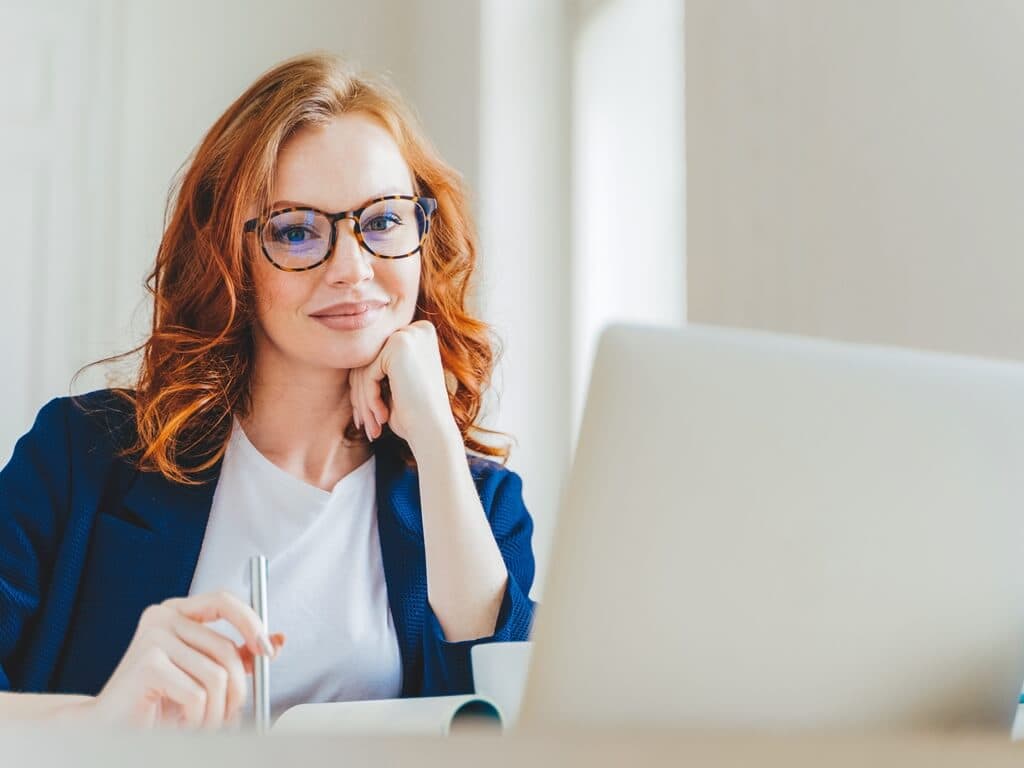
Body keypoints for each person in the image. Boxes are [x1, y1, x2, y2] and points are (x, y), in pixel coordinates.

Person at [0, 52, 535, 729]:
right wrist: (105, 719)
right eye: (295, 231)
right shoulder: (79, 459)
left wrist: (434, 438)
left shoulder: (478, 501)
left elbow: (509, 714)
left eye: (384, 221)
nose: (352, 267)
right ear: (229, 257)